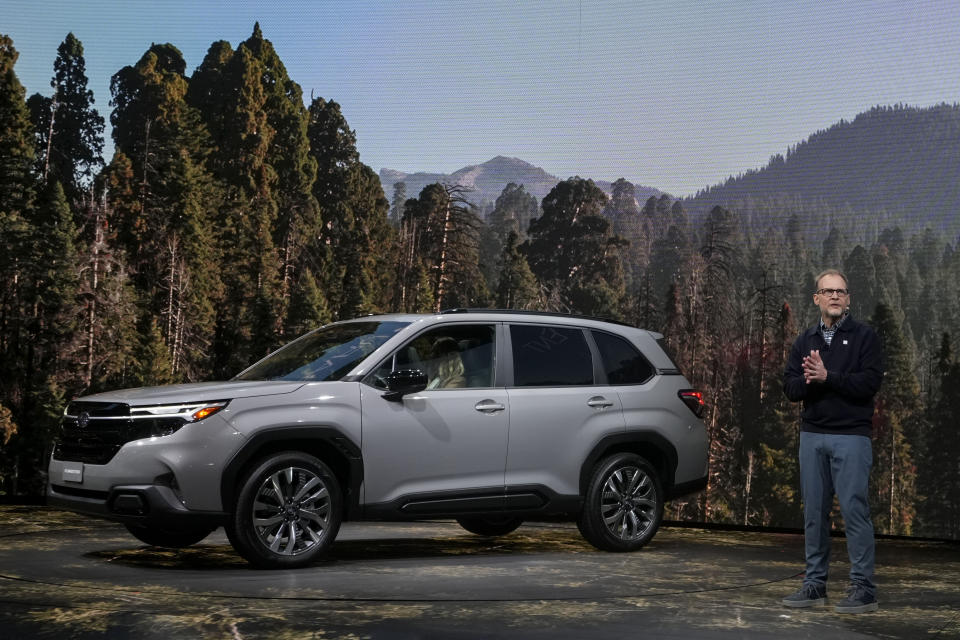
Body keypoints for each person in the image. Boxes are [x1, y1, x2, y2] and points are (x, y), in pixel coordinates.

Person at [781, 269, 884, 614]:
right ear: (817, 299)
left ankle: (863, 588)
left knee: (855, 511)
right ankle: (814, 585)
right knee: (814, 514)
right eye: (828, 291)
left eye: (840, 291)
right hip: (812, 436)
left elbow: (868, 384)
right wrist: (812, 381)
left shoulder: (864, 337)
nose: (835, 296)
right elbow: (791, 388)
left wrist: (829, 376)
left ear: (848, 298)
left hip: (851, 436)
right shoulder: (805, 340)